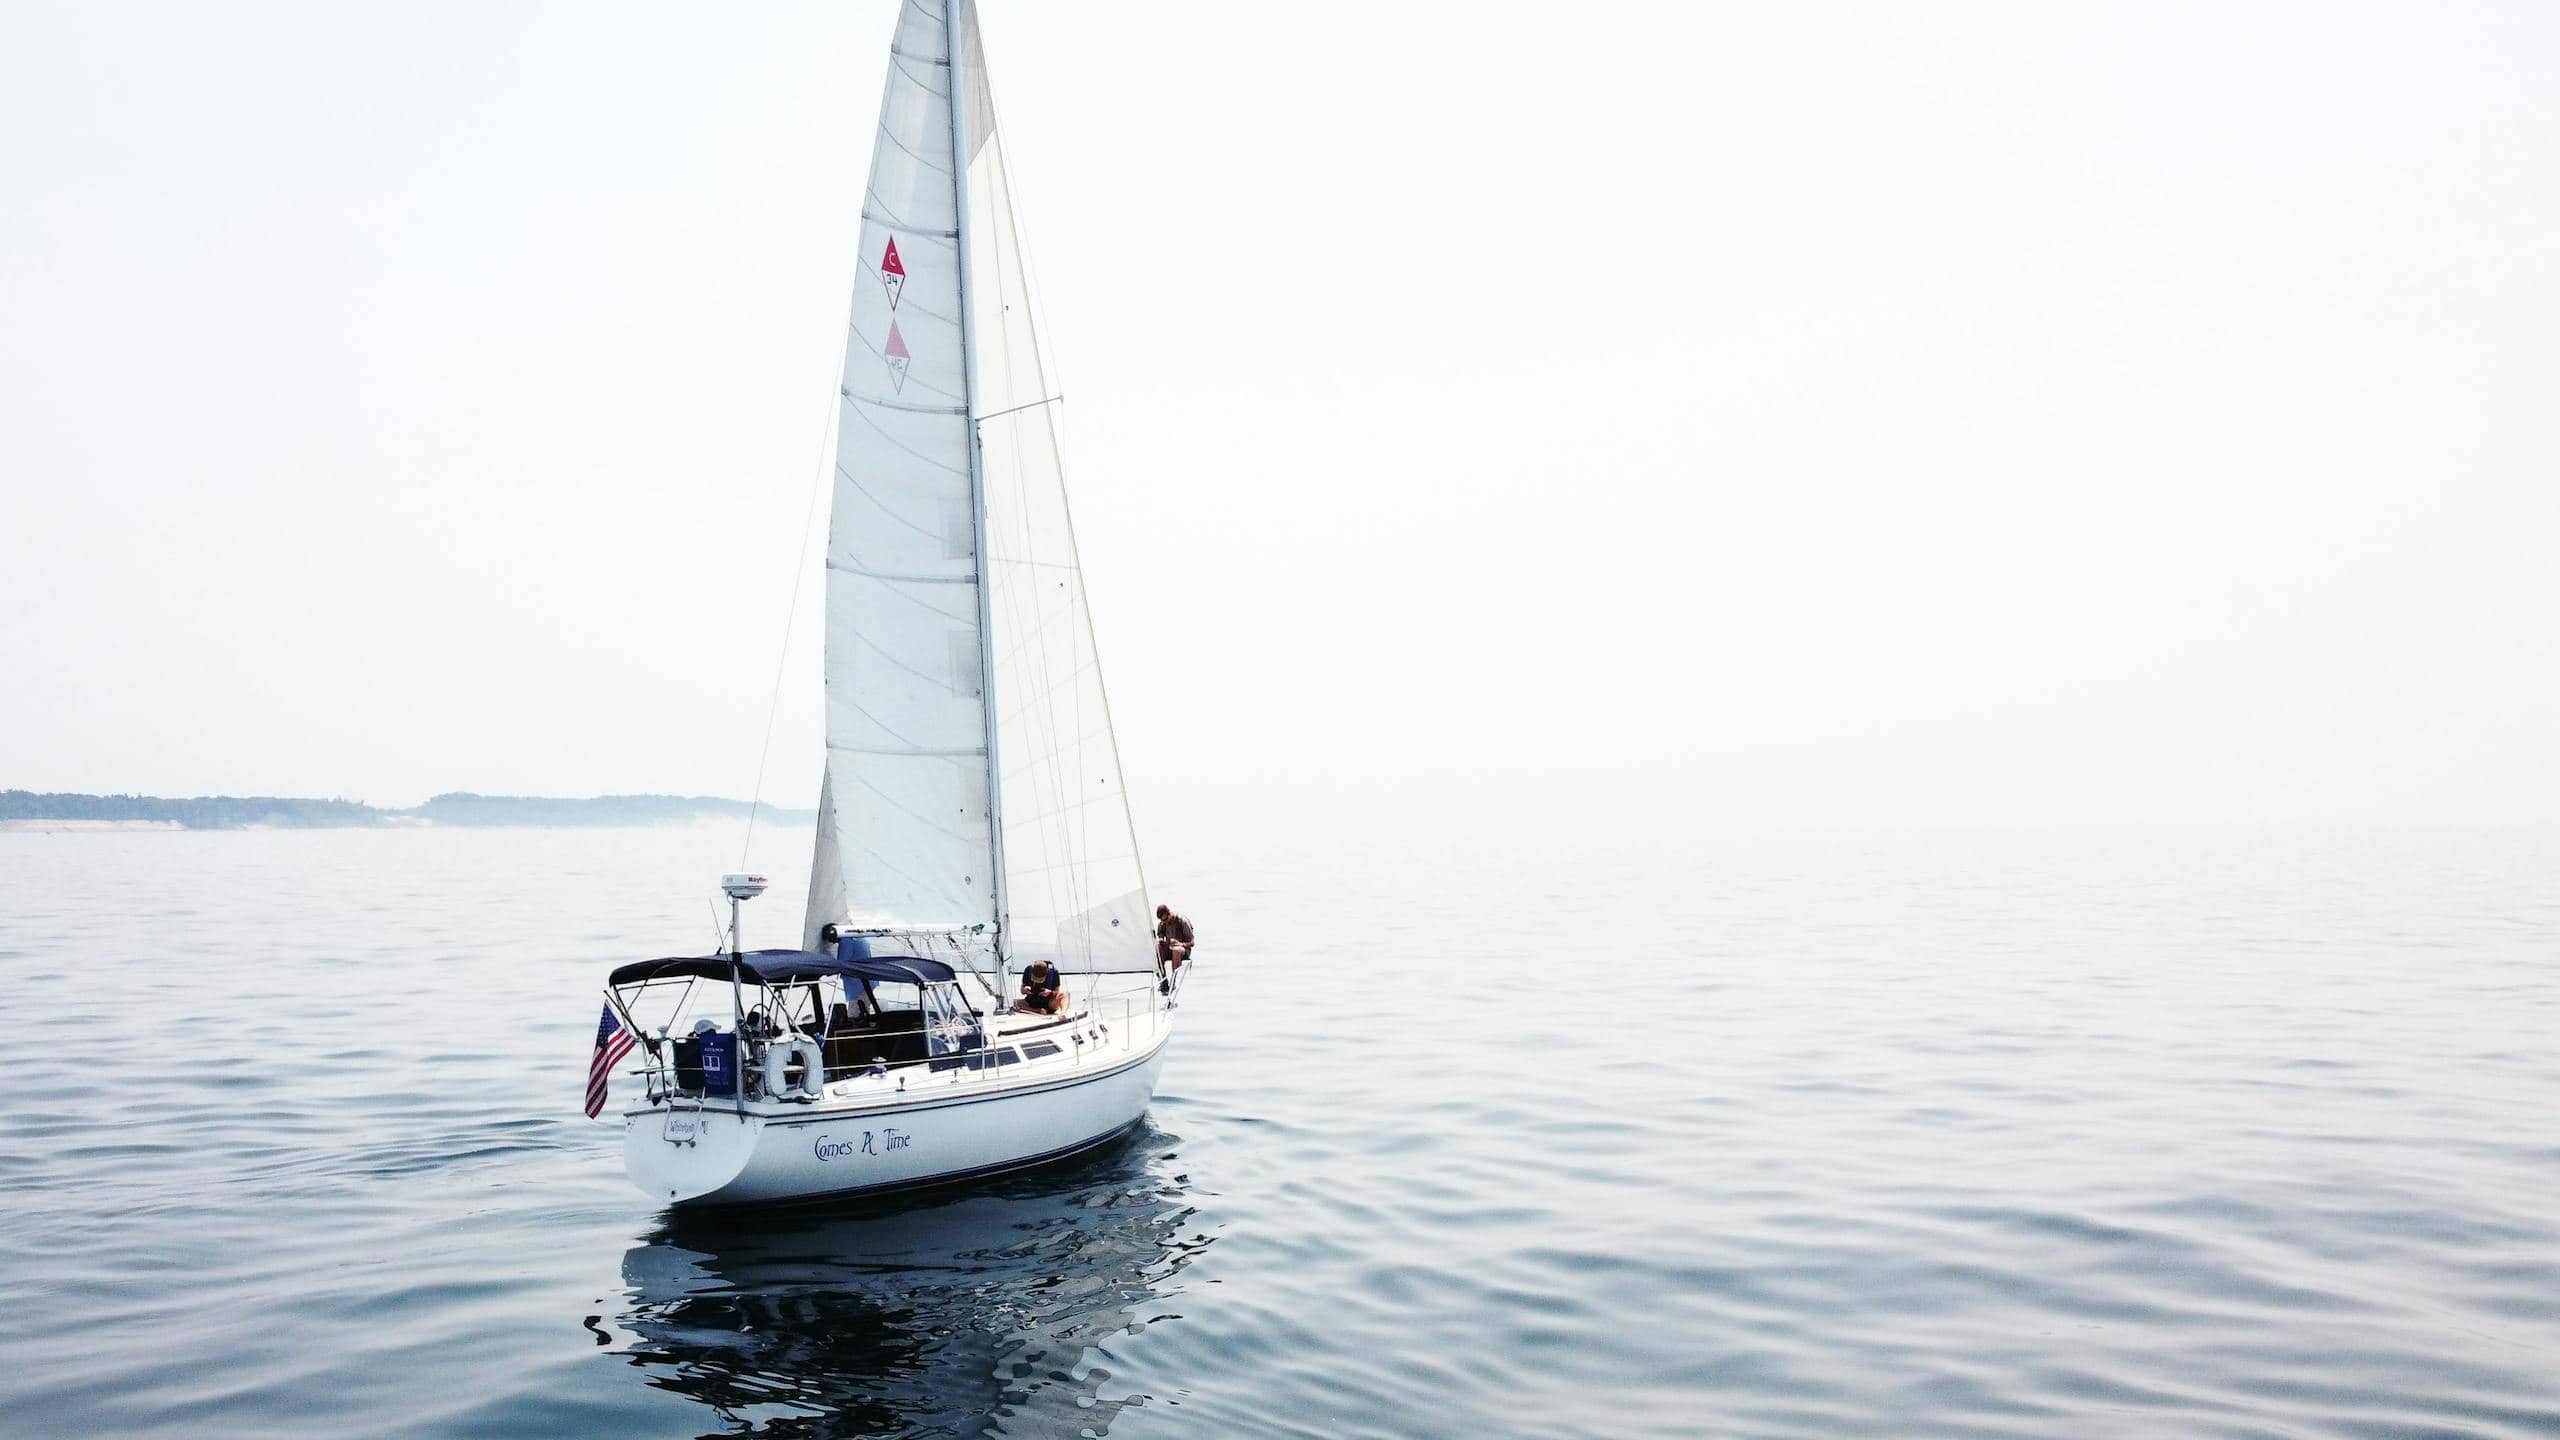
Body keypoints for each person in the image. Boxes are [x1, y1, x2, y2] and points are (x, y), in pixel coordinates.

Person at [1154, 903, 1194, 993]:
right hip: (1169, 948)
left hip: (1183, 949)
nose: (1165, 922)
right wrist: (1161, 940)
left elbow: (1192, 943)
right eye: (1162, 921)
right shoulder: (1162, 923)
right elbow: (1160, 935)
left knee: (1176, 950)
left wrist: (1180, 944)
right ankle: (1163, 980)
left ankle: (1173, 980)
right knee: (1157, 948)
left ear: (1169, 914)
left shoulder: (1182, 921)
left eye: (1166, 919)